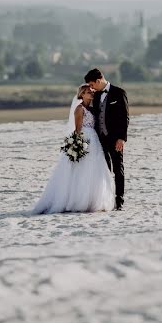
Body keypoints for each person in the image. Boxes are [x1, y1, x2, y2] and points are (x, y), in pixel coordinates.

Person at [31, 84, 115, 214]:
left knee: (95, 169)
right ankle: (78, 200)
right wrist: (77, 145)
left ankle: (92, 200)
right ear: (82, 94)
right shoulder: (79, 109)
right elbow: (77, 129)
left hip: (94, 140)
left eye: (91, 91)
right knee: (82, 169)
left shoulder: (92, 108)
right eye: (88, 92)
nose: (91, 93)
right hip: (85, 138)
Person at [85, 67, 129, 210]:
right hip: (100, 139)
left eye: (92, 85)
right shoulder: (96, 96)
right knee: (104, 169)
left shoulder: (119, 93)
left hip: (115, 139)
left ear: (98, 80)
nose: (91, 88)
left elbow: (125, 117)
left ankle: (119, 201)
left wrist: (122, 138)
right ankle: (107, 198)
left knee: (118, 168)